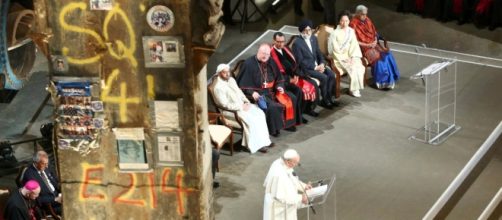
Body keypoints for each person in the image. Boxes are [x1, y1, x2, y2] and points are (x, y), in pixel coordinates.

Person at [237, 44, 296, 137]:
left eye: (267, 54)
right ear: (258, 52)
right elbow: (242, 84)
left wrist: (280, 86)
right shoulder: (248, 64)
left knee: (292, 98)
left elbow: (279, 78)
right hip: (260, 93)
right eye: (263, 54)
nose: (265, 56)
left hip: (273, 90)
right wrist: (252, 92)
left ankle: (287, 124)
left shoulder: (271, 61)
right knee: (273, 106)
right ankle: (274, 129)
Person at [213, 63, 272, 153]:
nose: (228, 74)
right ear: (219, 73)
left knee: (259, 113)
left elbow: (239, 92)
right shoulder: (218, 87)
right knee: (251, 119)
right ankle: (255, 145)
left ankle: (264, 141)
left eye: (228, 72)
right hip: (230, 111)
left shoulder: (231, 80)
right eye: (225, 73)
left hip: (242, 105)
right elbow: (224, 105)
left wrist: (246, 101)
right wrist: (241, 107)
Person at [350, 5, 400, 89]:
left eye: (366, 14)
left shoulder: (367, 20)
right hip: (363, 48)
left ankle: (391, 78)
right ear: (358, 13)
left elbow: (374, 32)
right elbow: (354, 41)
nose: (365, 16)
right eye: (363, 14)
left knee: (386, 55)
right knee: (378, 58)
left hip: (373, 44)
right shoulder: (353, 24)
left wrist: (376, 40)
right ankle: (381, 82)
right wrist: (368, 45)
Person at [270, 32, 318, 119]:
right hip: (284, 81)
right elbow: (275, 74)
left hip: (296, 75)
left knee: (313, 84)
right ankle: (299, 114)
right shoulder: (271, 55)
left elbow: (296, 63)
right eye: (278, 41)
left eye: (282, 41)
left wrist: (298, 75)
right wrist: (289, 79)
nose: (281, 44)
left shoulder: (286, 49)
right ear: (274, 41)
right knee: (299, 91)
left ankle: (308, 109)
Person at [292, 19, 337, 109]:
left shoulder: (313, 38)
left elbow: (318, 53)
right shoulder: (297, 43)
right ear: (301, 31)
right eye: (306, 30)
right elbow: (300, 61)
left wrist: (322, 64)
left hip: (318, 66)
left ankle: (329, 97)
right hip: (307, 69)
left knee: (331, 74)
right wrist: (315, 67)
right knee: (324, 77)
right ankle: (324, 100)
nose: (308, 32)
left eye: (309, 30)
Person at [263, 149, 311, 220]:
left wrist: (304, 186)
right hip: (278, 208)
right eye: (296, 163)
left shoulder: (283, 163)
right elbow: (282, 197)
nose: (296, 165)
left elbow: (292, 178)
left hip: (283, 205)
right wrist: (301, 198)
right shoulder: (279, 174)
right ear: (288, 161)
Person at [328, 11, 366, 97]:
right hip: (338, 58)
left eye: (346, 21)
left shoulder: (351, 31)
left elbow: (354, 45)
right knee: (352, 68)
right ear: (339, 21)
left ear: (349, 21)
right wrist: (345, 58)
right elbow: (333, 49)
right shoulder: (335, 33)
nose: (344, 23)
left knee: (359, 66)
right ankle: (353, 90)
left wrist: (353, 57)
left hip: (350, 55)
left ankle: (354, 88)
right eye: (342, 20)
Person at [22, 151, 62, 216]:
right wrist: (55, 199)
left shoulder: (46, 166)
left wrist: (61, 189)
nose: (47, 166)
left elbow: (55, 180)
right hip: (49, 204)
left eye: (47, 163)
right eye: (44, 164)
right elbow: (36, 199)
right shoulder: (29, 176)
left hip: (58, 195)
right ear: (36, 163)